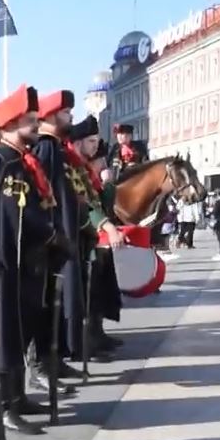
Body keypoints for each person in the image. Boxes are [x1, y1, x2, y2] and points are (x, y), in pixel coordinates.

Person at [0, 85, 70, 435]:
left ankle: (17, 397)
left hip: (31, 264)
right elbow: (14, 216)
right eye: (29, 119)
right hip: (10, 265)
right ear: (10, 123)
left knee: (23, 329)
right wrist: (50, 234)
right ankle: (1, 407)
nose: (35, 123)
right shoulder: (1, 162)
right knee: (7, 333)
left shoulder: (23, 162)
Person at [30, 90, 83, 395]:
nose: (70, 117)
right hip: (51, 240)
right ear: (50, 116)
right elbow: (45, 195)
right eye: (65, 112)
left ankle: (54, 360)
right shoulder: (46, 149)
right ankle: (41, 366)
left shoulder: (56, 149)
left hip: (62, 237)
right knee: (46, 305)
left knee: (55, 304)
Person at [69, 122, 125, 356]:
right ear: (78, 143)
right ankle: (84, 342)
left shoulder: (84, 169)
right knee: (87, 292)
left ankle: (96, 334)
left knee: (98, 290)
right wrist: (108, 226)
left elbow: (103, 203)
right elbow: (88, 206)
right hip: (80, 237)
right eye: (91, 141)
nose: (95, 148)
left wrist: (108, 184)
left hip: (91, 238)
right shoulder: (74, 167)